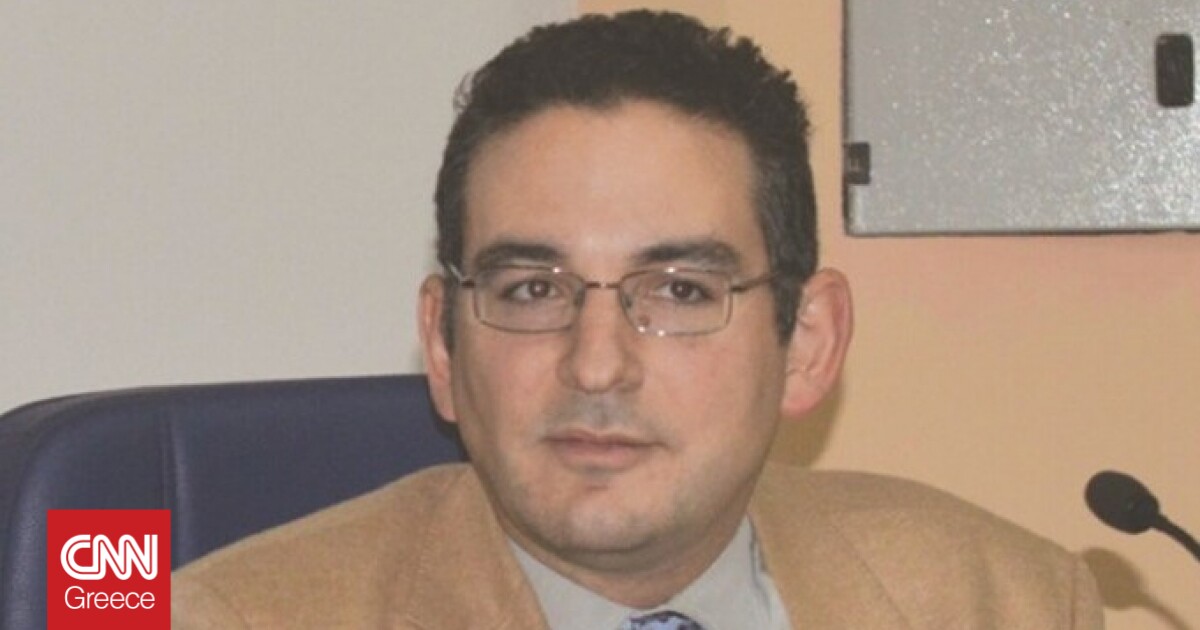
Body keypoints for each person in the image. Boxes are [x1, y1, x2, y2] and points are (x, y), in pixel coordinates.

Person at [172, 10, 1103, 629]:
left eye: (680, 291)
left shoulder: (1009, 602)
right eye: (532, 289)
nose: (596, 366)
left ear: (807, 342)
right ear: (444, 347)